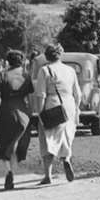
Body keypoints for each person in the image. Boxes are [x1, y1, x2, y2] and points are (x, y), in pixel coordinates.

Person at [33, 43, 81, 185]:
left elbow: (41, 94)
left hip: (52, 105)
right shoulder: (70, 70)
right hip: (69, 105)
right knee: (66, 136)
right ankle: (66, 158)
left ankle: (47, 175)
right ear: (60, 54)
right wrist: (77, 109)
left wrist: (40, 113)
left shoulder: (45, 70)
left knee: (48, 139)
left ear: (47, 56)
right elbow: (78, 93)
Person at [0, 50, 35, 190]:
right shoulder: (27, 76)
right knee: (18, 142)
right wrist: (31, 114)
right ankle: (15, 167)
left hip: (6, 112)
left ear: (8, 61)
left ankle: (9, 171)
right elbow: (31, 99)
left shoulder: (2, 75)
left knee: (4, 142)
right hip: (23, 113)